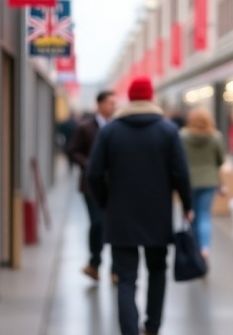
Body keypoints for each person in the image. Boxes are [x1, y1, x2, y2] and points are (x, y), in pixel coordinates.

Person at [88, 76, 193, 335]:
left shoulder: (110, 130)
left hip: (120, 215)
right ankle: (153, 327)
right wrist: (187, 204)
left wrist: (105, 202)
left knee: (125, 278)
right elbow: (181, 173)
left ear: (131, 99)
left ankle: (129, 331)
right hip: (157, 214)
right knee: (157, 271)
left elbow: (93, 173)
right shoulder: (168, 130)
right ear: (150, 97)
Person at [67, 90, 118, 282]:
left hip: (115, 185)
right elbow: (73, 150)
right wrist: (90, 165)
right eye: (111, 103)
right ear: (100, 105)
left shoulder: (117, 127)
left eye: (115, 103)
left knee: (114, 225)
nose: (114, 107)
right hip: (91, 185)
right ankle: (95, 264)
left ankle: (115, 269)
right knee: (97, 223)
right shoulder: (85, 127)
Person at [180, 108, 226, 259]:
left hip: (189, 182)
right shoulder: (216, 137)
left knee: (191, 214)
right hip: (209, 181)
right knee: (204, 215)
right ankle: (204, 248)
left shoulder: (182, 136)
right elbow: (220, 161)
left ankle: (194, 247)